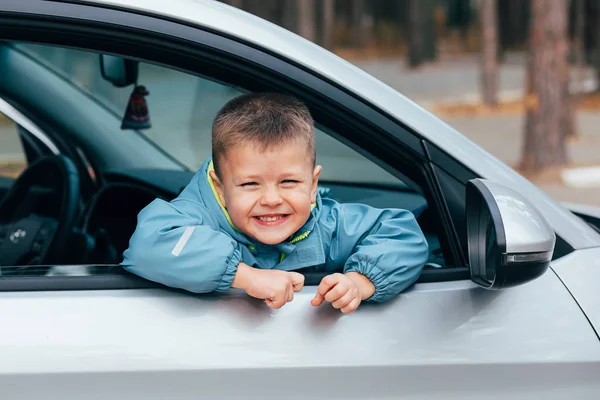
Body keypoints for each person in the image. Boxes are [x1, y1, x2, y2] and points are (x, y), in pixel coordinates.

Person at [122, 92, 429, 314]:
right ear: (221, 186)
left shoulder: (326, 224)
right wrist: (245, 277)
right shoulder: (199, 216)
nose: (271, 199)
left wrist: (360, 281)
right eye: (250, 184)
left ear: (313, 185)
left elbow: (402, 233)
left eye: (289, 182)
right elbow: (149, 243)